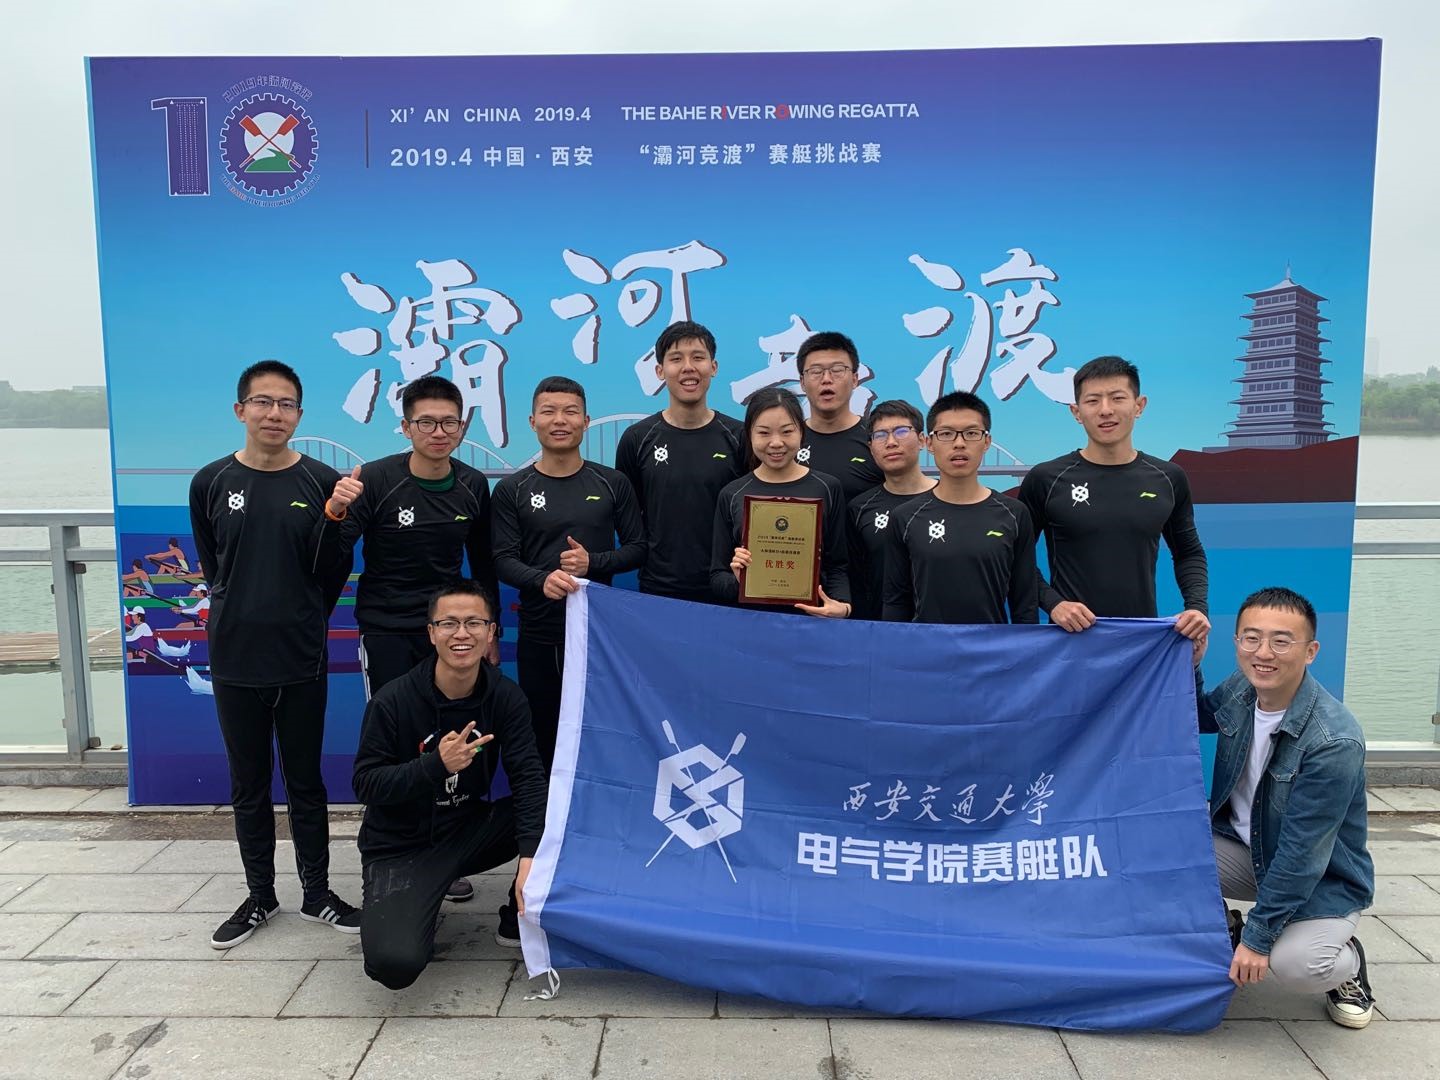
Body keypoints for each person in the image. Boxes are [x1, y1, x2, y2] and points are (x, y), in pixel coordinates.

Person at [188, 359, 360, 949]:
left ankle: (317, 893)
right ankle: (260, 895)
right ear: (241, 410)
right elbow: (216, 568)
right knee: (249, 783)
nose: (274, 414)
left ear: (300, 415)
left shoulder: (322, 482)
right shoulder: (211, 481)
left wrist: (302, 613)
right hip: (235, 654)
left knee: (305, 780)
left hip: (301, 654)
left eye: (286, 404)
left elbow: (331, 568)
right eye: (263, 402)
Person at [331, 374, 500, 906]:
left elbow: (484, 563)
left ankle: (444, 852)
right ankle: (392, 853)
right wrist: (335, 510)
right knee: (397, 738)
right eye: (426, 422)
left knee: (451, 736)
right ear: (406, 427)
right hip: (387, 629)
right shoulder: (377, 479)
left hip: (450, 633)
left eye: (449, 422)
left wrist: (488, 630)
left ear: (462, 426)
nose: (438, 432)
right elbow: (333, 548)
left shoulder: (473, 485)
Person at [352, 579, 548, 988]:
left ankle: (518, 915)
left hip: (465, 831)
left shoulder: (505, 697)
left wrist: (531, 861)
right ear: (431, 633)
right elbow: (366, 784)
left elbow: (528, 779)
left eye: (474, 622)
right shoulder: (393, 700)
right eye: (449, 623)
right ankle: (414, 900)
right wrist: (435, 765)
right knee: (395, 965)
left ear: (491, 632)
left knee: (559, 809)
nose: (462, 634)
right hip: (400, 845)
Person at [1199, 586, 1375, 1028]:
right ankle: (1228, 928)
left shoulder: (1333, 740)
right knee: (1158, 849)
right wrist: (1190, 663)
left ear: (1310, 651)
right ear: (1237, 641)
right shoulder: (1243, 688)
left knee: (1297, 966)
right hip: (1247, 851)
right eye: (1251, 638)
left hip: (1320, 879)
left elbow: (1301, 856)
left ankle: (1347, 962)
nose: (1263, 653)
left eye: (1281, 641)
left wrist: (1259, 940)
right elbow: (1197, 716)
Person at [491, 375, 646, 773]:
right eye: (549, 412)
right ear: (532, 422)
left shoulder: (612, 483)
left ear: (586, 421)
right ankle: (542, 810)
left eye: (570, 412)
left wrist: (594, 563)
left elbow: (638, 548)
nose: (560, 420)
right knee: (543, 729)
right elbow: (503, 559)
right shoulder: (512, 488)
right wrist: (541, 579)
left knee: (601, 728)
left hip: (600, 633)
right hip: (540, 632)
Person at [1017, 355, 1209, 641]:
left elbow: (1188, 553)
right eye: (1093, 401)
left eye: (1117, 398)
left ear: (1139, 406)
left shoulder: (1168, 478)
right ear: (1076, 412)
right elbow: (1015, 557)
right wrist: (1053, 603)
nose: (1105, 410)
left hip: (1141, 640)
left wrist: (1197, 608)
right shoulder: (1046, 479)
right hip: (1070, 640)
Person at [615, 321, 745, 604]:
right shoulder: (637, 439)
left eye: (698, 357)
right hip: (659, 589)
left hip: (728, 587)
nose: (688, 367)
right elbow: (627, 518)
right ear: (660, 371)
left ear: (713, 367)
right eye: (676, 359)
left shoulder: (739, 437)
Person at [883, 392, 1038, 625]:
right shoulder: (905, 517)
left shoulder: (1014, 514)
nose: (959, 443)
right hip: (927, 645)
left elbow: (1025, 603)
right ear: (929, 443)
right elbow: (895, 602)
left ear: (987, 442)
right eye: (946, 434)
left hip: (991, 645)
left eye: (971, 433)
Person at [711, 387, 851, 617]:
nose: (776, 443)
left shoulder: (827, 487)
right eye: (764, 433)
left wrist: (843, 607)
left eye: (787, 432)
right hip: (751, 622)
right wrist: (738, 580)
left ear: (801, 432)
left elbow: (838, 565)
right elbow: (717, 577)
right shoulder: (732, 494)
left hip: (810, 622)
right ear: (749, 435)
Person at [846, 399, 935, 620]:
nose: (891, 442)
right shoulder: (859, 508)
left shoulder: (949, 500)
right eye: (880, 435)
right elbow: (854, 579)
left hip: (940, 630)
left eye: (901, 431)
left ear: (922, 440)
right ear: (870, 447)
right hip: (881, 628)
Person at [793, 331, 883, 501]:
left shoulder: (876, 439)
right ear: (802, 382)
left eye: (837, 370)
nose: (826, 379)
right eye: (816, 371)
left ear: (855, 379)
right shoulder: (788, 441)